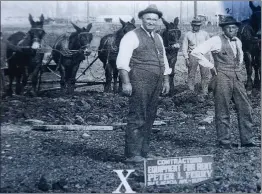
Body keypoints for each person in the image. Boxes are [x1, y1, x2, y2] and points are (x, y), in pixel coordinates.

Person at [191, 16, 260, 148]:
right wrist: (211, 66)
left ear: (237, 29)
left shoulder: (238, 41)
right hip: (222, 77)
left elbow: (240, 58)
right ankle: (224, 141)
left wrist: (238, 68)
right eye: (228, 27)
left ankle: (247, 140)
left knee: (245, 108)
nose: (231, 29)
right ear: (223, 29)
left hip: (237, 77)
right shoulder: (216, 40)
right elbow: (196, 52)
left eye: (234, 27)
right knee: (223, 109)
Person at [116, 4, 172, 163]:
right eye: (148, 19)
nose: (151, 22)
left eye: (154, 19)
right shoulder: (132, 36)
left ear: (158, 21)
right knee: (138, 115)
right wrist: (126, 83)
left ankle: (144, 152)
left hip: (156, 81)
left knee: (150, 116)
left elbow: (164, 61)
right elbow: (122, 62)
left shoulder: (158, 37)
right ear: (142, 19)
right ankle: (132, 154)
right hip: (139, 79)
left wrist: (166, 80)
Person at [182, 18, 211, 100]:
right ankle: (190, 92)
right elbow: (184, 47)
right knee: (191, 74)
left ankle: (205, 92)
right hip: (192, 54)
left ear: (200, 26)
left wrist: (209, 57)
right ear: (192, 25)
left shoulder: (205, 34)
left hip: (203, 54)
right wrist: (186, 58)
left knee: (205, 74)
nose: (196, 27)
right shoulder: (188, 34)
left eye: (198, 26)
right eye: (195, 25)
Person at [0, 32, 23, 97]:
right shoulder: (4, 42)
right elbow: (14, 47)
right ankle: (3, 92)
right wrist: (22, 48)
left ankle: (3, 92)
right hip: (1, 63)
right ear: (1, 35)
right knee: (2, 78)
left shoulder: (4, 41)